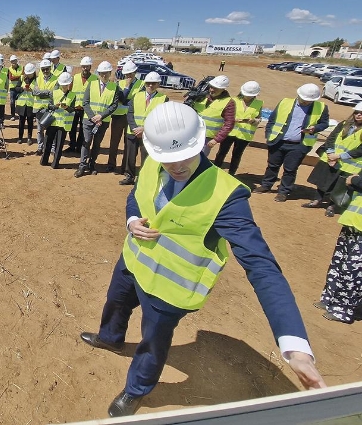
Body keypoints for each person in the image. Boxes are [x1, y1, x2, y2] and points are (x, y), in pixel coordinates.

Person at [79, 101, 326, 418]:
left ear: (202, 142)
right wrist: (132, 220)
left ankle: (136, 390)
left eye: (185, 155)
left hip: (169, 289)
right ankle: (110, 338)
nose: (177, 165)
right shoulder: (155, 161)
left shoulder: (227, 196)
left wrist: (295, 346)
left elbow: (263, 268)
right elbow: (136, 196)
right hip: (132, 261)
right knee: (115, 302)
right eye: (169, 158)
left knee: (153, 343)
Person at [253, 83, 329, 202]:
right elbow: (272, 119)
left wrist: (315, 128)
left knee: (290, 169)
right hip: (278, 141)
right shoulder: (285, 102)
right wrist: (269, 135)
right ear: (298, 95)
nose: (306, 102)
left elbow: (325, 123)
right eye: (304, 99)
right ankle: (266, 185)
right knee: (272, 165)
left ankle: (283, 192)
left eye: (309, 101)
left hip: (299, 145)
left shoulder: (321, 107)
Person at [316, 173, 362, 323]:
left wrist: (355, 180)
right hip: (352, 222)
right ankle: (329, 299)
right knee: (339, 264)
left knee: (353, 272)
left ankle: (343, 309)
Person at [304, 103, 362, 217]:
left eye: (361, 114)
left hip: (349, 163)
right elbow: (331, 138)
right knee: (323, 181)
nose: (358, 116)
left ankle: (332, 206)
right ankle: (317, 200)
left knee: (340, 186)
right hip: (331, 158)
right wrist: (331, 153)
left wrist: (339, 156)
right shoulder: (344, 124)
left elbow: (360, 150)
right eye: (356, 113)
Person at [119, 71, 168, 185]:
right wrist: (135, 128)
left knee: (146, 157)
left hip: (149, 134)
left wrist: (144, 129)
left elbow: (162, 118)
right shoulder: (137, 95)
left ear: (158, 84)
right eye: (148, 83)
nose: (150, 85)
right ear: (145, 83)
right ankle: (129, 176)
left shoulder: (163, 99)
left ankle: (143, 179)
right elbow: (130, 113)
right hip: (133, 131)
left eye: (153, 83)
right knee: (130, 156)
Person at [74, 61, 119, 178]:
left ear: (110, 73)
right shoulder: (92, 84)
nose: (104, 75)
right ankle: (82, 166)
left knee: (97, 144)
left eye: (106, 73)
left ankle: (92, 164)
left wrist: (101, 116)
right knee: (86, 142)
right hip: (89, 120)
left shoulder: (114, 87)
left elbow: (114, 105)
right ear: (98, 73)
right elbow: (85, 102)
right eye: (102, 73)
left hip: (103, 122)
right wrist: (93, 117)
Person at [213, 81, 263, 176]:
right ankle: (215, 171)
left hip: (245, 135)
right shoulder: (233, 100)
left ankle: (231, 174)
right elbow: (224, 115)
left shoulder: (259, 103)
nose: (247, 97)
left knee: (237, 155)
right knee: (222, 152)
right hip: (229, 131)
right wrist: (232, 119)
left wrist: (254, 121)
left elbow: (259, 118)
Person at [109, 61, 144, 174]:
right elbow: (121, 99)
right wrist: (127, 87)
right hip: (118, 116)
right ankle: (111, 165)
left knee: (128, 143)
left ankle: (125, 167)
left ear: (135, 72)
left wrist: (127, 100)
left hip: (132, 118)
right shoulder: (120, 83)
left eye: (130, 74)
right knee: (114, 141)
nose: (128, 76)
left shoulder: (142, 84)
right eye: (126, 74)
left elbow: (139, 101)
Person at [193, 75, 235, 157]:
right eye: (211, 87)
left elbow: (229, 124)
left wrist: (216, 139)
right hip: (192, 134)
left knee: (198, 161)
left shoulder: (228, 102)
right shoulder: (201, 96)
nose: (212, 90)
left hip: (207, 138)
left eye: (216, 88)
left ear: (223, 89)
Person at [40, 72, 75, 168]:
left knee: (59, 145)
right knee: (48, 142)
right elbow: (49, 105)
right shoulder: (54, 92)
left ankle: (55, 163)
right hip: (53, 121)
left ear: (69, 84)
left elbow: (73, 109)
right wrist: (54, 106)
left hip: (63, 124)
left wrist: (67, 107)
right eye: (62, 85)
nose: (64, 87)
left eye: (65, 85)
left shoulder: (72, 95)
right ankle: (44, 160)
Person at [68, 57, 97, 153]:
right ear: (81, 67)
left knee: (82, 129)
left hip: (86, 109)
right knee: (72, 128)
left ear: (90, 67)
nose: (85, 68)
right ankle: (72, 145)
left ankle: (79, 147)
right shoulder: (75, 77)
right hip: (75, 107)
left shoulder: (95, 79)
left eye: (87, 66)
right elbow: (70, 91)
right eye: (83, 66)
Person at [33, 59, 59, 155]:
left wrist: (42, 93)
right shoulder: (38, 78)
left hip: (50, 109)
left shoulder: (56, 79)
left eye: (46, 69)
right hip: (39, 109)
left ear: (50, 68)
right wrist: (47, 92)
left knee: (51, 130)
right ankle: (40, 147)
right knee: (40, 130)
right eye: (43, 69)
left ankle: (52, 149)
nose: (45, 71)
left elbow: (54, 94)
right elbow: (34, 92)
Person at [14, 63, 37, 145]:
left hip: (31, 104)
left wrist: (32, 91)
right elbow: (16, 88)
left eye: (30, 73)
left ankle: (29, 138)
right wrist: (22, 89)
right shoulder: (22, 78)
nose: (28, 75)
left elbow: (38, 92)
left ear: (33, 73)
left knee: (30, 122)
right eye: (27, 73)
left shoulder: (37, 80)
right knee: (21, 122)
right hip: (22, 104)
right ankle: (20, 138)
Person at [8, 55, 23, 121]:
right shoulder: (9, 69)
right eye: (12, 61)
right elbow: (11, 78)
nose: (13, 62)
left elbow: (23, 76)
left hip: (20, 87)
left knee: (20, 102)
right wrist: (19, 77)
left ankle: (20, 115)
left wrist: (17, 77)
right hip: (12, 88)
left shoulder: (22, 67)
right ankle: (13, 115)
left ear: (16, 61)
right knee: (12, 102)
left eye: (14, 61)